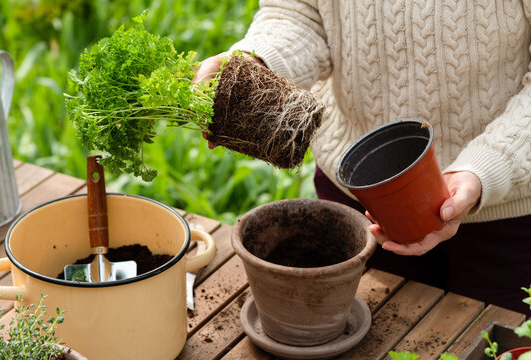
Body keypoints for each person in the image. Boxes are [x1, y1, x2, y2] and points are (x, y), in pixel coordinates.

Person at [193, 0, 531, 315]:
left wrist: (486, 167)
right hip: (364, 197)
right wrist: (254, 67)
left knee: (493, 342)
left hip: (506, 218)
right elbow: (300, 11)